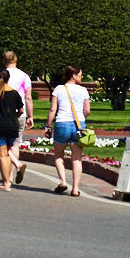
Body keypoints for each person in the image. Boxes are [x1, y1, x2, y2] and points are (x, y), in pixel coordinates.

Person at [45, 65, 90, 197]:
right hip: (79, 125)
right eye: (80, 74)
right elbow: (87, 110)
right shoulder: (83, 90)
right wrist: (81, 118)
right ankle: (75, 189)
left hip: (62, 124)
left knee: (58, 155)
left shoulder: (59, 89)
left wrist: (48, 125)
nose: (82, 77)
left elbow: (53, 109)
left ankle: (63, 181)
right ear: (73, 75)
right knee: (76, 158)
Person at [0, 51, 34, 186]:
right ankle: (11, 175)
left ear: (3, 61)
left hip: (4, 114)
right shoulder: (24, 76)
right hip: (20, 113)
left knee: (2, 143)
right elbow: (28, 98)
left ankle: (12, 170)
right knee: (15, 144)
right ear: (16, 60)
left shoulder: (2, 75)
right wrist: (31, 116)